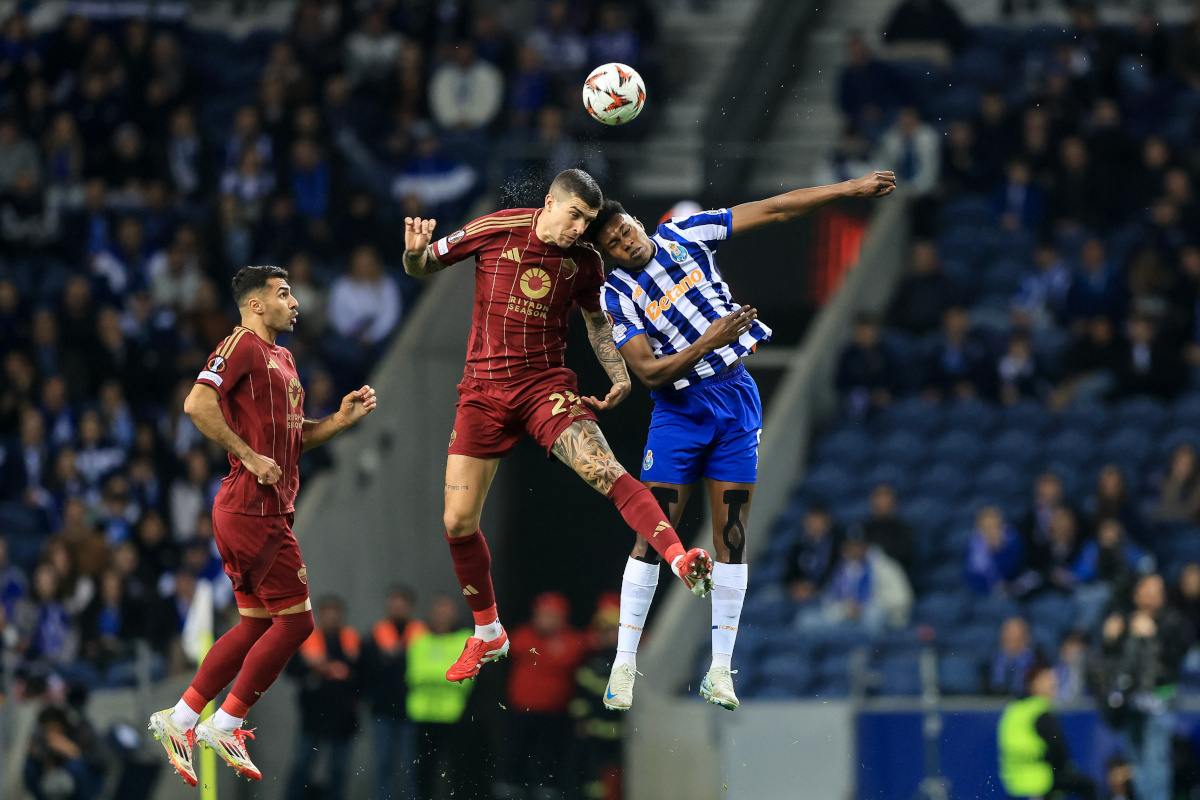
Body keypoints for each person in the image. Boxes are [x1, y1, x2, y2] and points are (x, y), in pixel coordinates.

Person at [587, 169, 896, 710]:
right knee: (654, 528)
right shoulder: (616, 295)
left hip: (735, 399)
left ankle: (721, 671)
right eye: (612, 242)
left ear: (638, 222)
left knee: (732, 532)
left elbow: (775, 206)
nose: (625, 241)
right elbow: (650, 373)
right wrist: (709, 340)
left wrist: (848, 190)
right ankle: (624, 663)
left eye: (626, 229)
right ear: (608, 254)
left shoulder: (687, 234)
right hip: (679, 412)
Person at [401, 169, 715, 683]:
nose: (580, 228)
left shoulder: (586, 262)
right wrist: (415, 252)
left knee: (603, 468)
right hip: (482, 394)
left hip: (544, 389)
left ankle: (679, 559)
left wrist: (619, 375)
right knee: (457, 522)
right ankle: (488, 632)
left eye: (588, 221)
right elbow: (421, 266)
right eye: (575, 216)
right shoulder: (496, 229)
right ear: (550, 203)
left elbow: (596, 320)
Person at [147, 265, 378, 786]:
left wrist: (338, 422)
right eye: (283, 292)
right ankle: (226, 721)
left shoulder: (284, 358)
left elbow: (292, 441)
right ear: (255, 304)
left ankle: (181, 718)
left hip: (261, 509)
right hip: (253, 508)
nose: (294, 301)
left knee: (255, 625)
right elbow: (196, 404)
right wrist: (248, 456)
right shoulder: (242, 345)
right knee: (297, 624)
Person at [1098, 574, 1193, 800]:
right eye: (1146, 589)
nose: (1151, 595)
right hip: (1130, 699)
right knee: (1135, 760)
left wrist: (1153, 636)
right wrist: (1111, 639)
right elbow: (1111, 663)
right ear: (1136, 593)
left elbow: (1176, 658)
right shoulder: (1124, 621)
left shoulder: (1173, 620)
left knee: (1156, 758)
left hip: (1161, 696)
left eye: (1156, 590)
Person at [503, 592, 589, 798]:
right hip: (521, 711)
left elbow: (569, 657)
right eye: (542, 614)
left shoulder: (572, 640)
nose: (545, 620)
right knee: (516, 753)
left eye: (551, 615)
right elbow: (517, 647)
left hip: (554, 713)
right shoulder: (524, 635)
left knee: (549, 756)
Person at [285, 595, 362, 800]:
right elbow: (291, 670)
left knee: (339, 769)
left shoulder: (351, 641)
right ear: (320, 614)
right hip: (313, 716)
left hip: (344, 718)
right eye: (327, 612)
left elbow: (365, 674)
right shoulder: (308, 639)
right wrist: (315, 668)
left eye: (335, 612)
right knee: (303, 765)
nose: (331, 617)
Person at [407, 595, 474, 800]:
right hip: (422, 715)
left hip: (452, 716)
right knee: (423, 771)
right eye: (438, 612)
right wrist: (445, 673)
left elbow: (464, 676)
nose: (442, 617)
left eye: (447, 612)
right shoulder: (419, 639)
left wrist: (432, 675)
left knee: (455, 771)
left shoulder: (466, 639)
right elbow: (414, 675)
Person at [997, 663, 1097, 800]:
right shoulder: (1040, 711)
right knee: (1088, 785)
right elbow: (1058, 748)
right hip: (1041, 779)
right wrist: (1066, 769)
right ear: (1034, 684)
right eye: (1048, 679)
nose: (1053, 683)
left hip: (1013, 781)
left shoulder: (1013, 710)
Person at [363, 585, 426, 800]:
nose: (397, 609)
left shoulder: (421, 633)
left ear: (410, 607)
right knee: (383, 764)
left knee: (410, 765)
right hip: (382, 709)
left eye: (402, 605)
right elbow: (366, 669)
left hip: (413, 708)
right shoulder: (376, 634)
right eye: (394, 605)